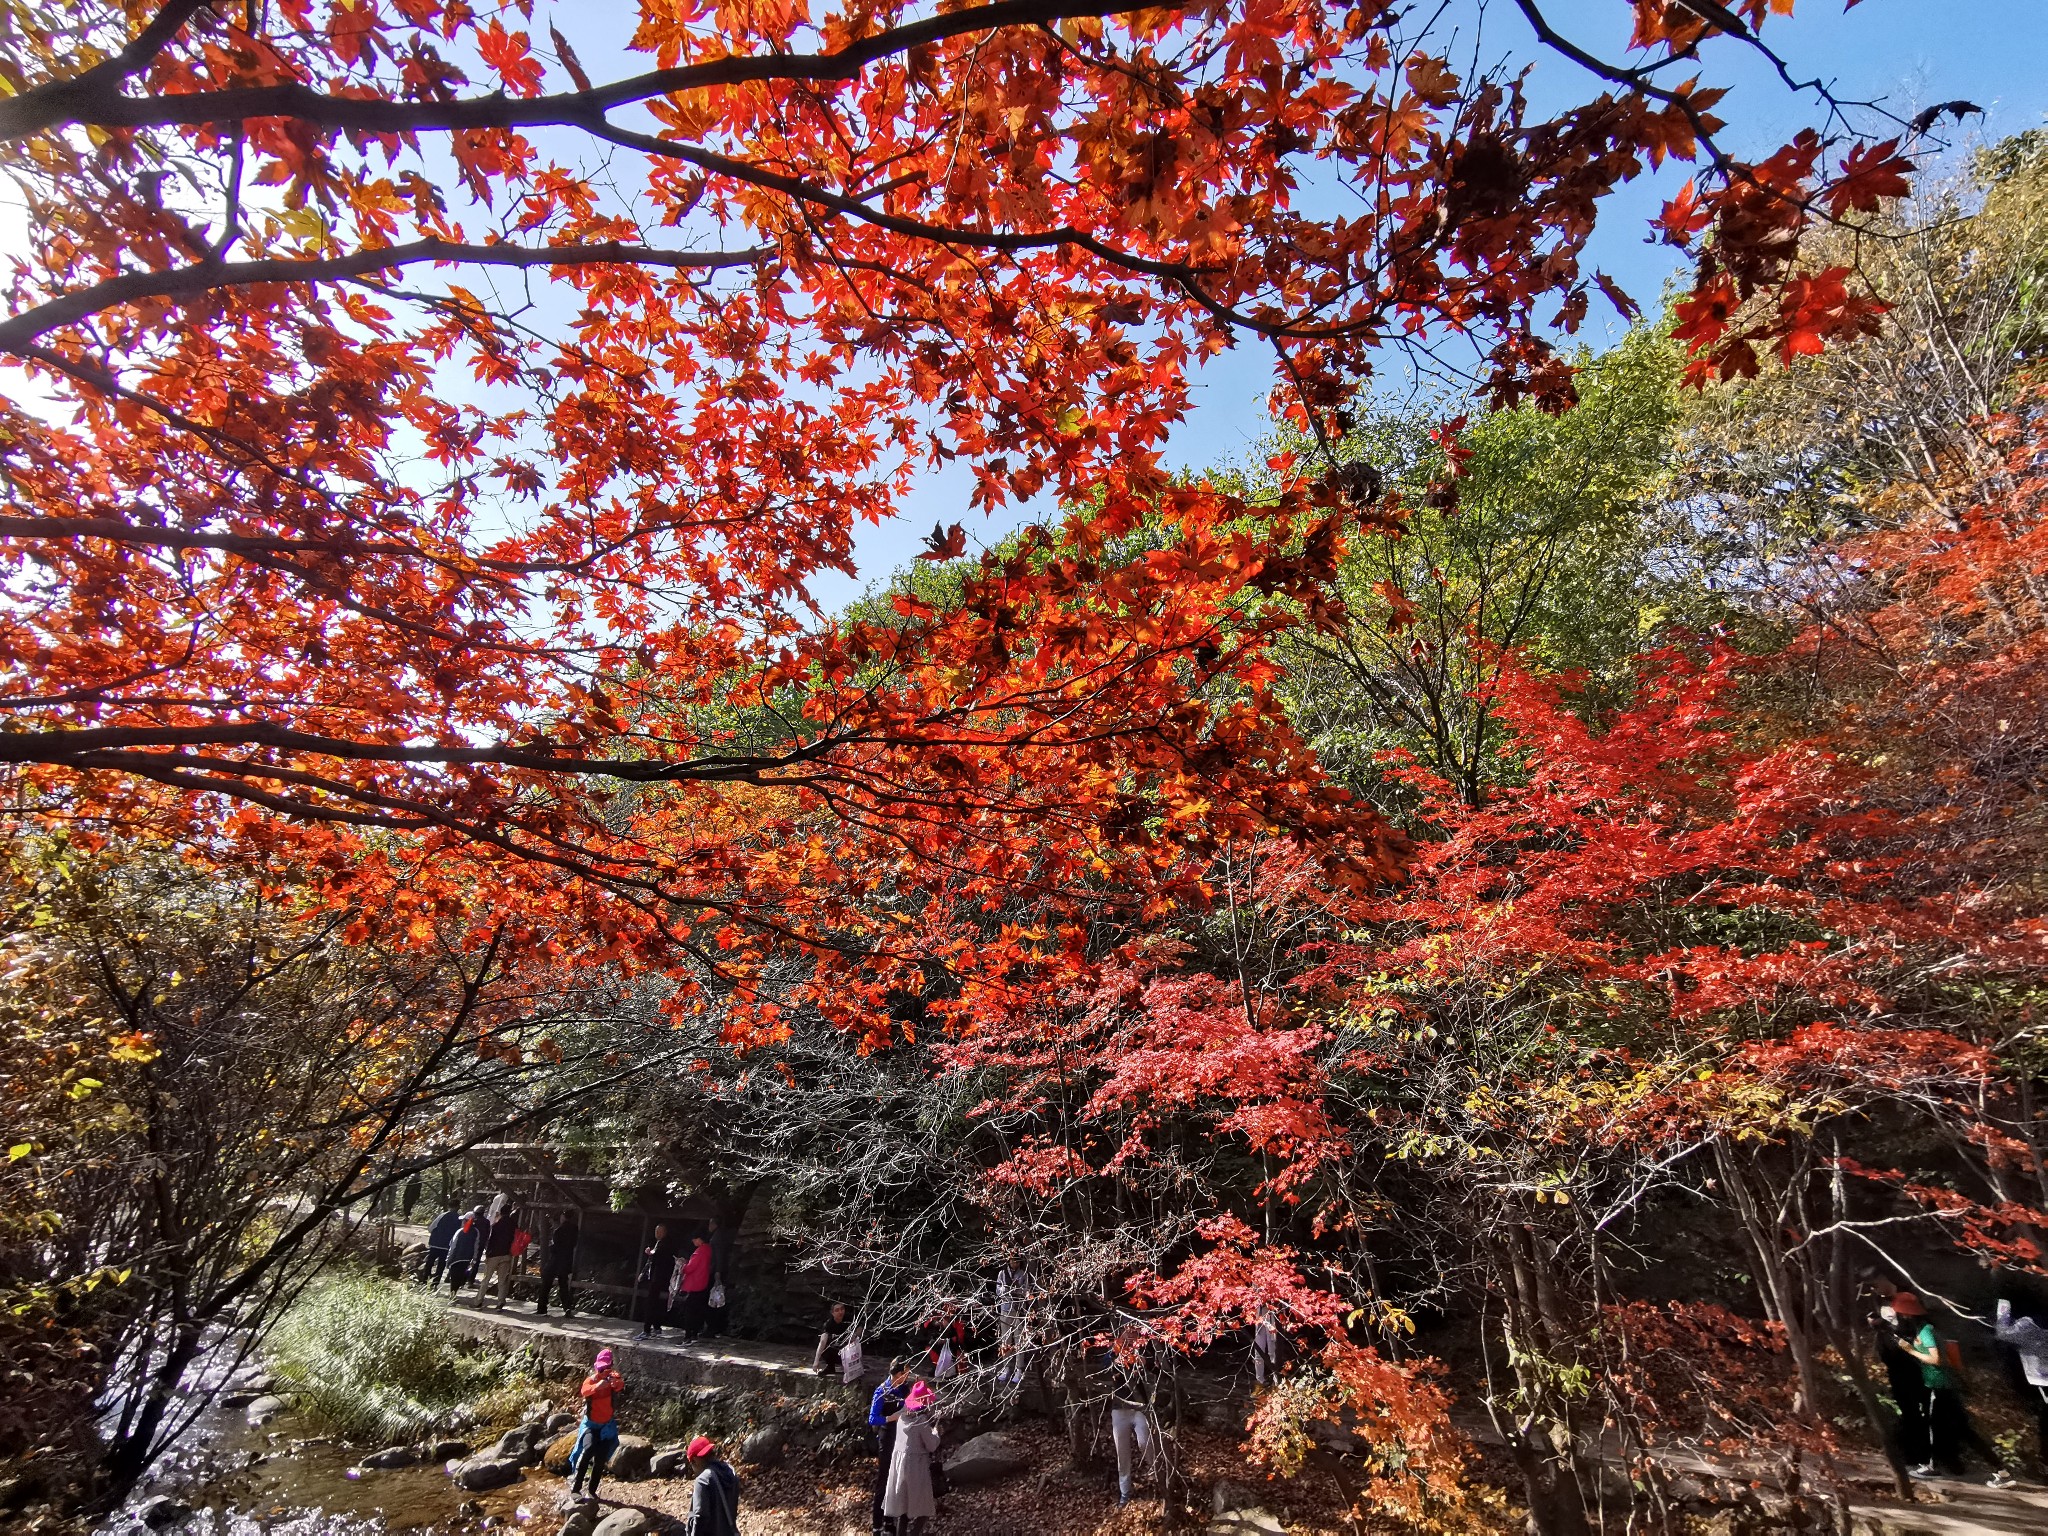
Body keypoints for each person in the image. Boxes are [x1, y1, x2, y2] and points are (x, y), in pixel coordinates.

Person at [1900, 1298, 2004, 1481]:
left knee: (1933, 1426)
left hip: (1939, 1386)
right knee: (1962, 1429)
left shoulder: (1926, 1332)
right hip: (1945, 1385)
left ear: (1908, 1314)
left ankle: (1931, 1465)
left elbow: (1936, 1359)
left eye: (1901, 1314)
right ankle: (2000, 1468)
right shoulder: (1925, 1330)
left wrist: (1910, 1350)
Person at [1106, 1328, 1159, 1506]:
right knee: (1122, 1452)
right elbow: (1103, 1365)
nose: (1131, 1335)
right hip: (1120, 1408)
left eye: (1134, 1332)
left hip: (1140, 1407)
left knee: (1146, 1442)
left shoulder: (1144, 1348)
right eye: (1127, 1332)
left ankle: (1158, 1477)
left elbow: (1157, 1367)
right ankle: (1125, 1491)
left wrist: (1145, 1362)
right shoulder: (1114, 1350)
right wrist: (1118, 1347)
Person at [1996, 1297, 2048, 1475]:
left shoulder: (2029, 1324)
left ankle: (2045, 1464)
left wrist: (2003, 1307)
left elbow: (2003, 1333)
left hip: (2043, 1379)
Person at [1878, 1294, 1931, 1469]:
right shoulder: (1885, 1333)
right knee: (1910, 1416)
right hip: (1903, 1378)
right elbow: (1885, 1355)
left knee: (1918, 1416)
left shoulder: (1912, 1328)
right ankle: (1910, 1454)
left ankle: (1920, 1455)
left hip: (1916, 1377)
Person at [881, 1379, 940, 1536]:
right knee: (923, 1507)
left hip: (899, 1466)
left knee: (903, 1507)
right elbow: (932, 1445)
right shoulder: (920, 1422)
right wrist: (936, 1431)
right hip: (916, 1467)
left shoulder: (901, 1419)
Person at [568, 1349, 624, 1501]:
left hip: (607, 1426)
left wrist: (614, 1383)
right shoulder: (591, 1380)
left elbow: (620, 1385)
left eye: (606, 1368)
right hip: (591, 1425)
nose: (603, 1372)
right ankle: (576, 1488)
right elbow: (584, 1391)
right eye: (600, 1369)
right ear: (595, 1367)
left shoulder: (613, 1377)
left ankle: (592, 1491)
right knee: (588, 1450)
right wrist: (597, 1386)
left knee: (601, 1458)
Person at [868, 1358, 914, 1534]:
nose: (907, 1376)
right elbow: (872, 1418)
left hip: (901, 1437)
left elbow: (910, 1405)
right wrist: (890, 1418)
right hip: (886, 1438)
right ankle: (877, 1524)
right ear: (897, 1374)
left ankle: (890, 1521)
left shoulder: (904, 1389)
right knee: (884, 1481)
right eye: (906, 1373)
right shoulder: (881, 1391)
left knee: (897, 1480)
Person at [683, 1435, 740, 1536]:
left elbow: (700, 1517)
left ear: (695, 1460)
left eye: (691, 1463)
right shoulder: (730, 1471)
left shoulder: (702, 1480)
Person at [475, 1202, 520, 1310]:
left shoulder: (496, 1225)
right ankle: (500, 1302)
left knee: (486, 1279)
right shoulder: (513, 1225)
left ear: (501, 1213)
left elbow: (491, 1240)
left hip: (494, 1254)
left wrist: (488, 1253)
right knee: (502, 1280)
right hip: (506, 1254)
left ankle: (479, 1300)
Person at [637, 1223, 679, 1336]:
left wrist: (650, 1252)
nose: (657, 1234)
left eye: (660, 1232)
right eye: (656, 1231)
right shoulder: (658, 1243)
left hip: (659, 1277)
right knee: (657, 1303)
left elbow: (657, 1254)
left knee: (652, 1303)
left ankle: (647, 1330)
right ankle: (656, 1326)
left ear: (664, 1232)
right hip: (657, 1277)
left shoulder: (665, 1244)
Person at [536, 1210, 580, 1318]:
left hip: (556, 1260)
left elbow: (555, 1247)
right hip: (566, 1260)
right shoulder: (575, 1229)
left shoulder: (559, 1231)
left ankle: (542, 1308)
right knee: (563, 1285)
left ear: (563, 1217)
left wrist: (551, 1247)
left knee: (546, 1283)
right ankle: (567, 1307)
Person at [677, 1232, 715, 1340]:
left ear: (699, 1239)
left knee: (690, 1311)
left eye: (694, 1239)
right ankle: (695, 1333)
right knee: (699, 1310)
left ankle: (688, 1336)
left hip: (694, 1284)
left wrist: (682, 1266)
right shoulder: (709, 1250)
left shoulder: (699, 1252)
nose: (693, 1241)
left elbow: (690, 1268)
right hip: (703, 1283)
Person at [444, 1205, 486, 1292]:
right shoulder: (476, 1232)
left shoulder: (459, 1232)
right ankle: (455, 1293)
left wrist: (448, 1259)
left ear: (466, 1221)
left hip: (456, 1258)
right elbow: (476, 1246)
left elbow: (453, 1246)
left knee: (454, 1278)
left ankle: (452, 1295)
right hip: (467, 1259)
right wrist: (474, 1259)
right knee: (460, 1276)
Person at [814, 1299, 861, 1379]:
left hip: (848, 1350)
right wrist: (816, 1361)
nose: (840, 1312)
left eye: (842, 1309)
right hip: (835, 1350)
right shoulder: (829, 1324)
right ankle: (830, 1367)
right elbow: (822, 1341)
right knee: (824, 1347)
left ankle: (850, 1368)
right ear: (833, 1313)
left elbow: (860, 1328)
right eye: (837, 1310)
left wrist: (855, 1335)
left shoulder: (849, 1320)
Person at [704, 1215, 734, 1337]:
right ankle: (715, 1327)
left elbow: (719, 1255)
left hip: (716, 1271)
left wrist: (717, 1271)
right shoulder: (720, 1236)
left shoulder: (717, 1238)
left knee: (713, 1300)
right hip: (718, 1270)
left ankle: (712, 1328)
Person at [419, 1203, 461, 1288]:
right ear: (458, 1208)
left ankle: (424, 1281)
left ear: (449, 1206)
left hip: (435, 1244)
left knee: (429, 1263)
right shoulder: (459, 1219)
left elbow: (431, 1228)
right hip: (447, 1246)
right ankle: (435, 1283)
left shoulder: (442, 1216)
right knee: (441, 1266)